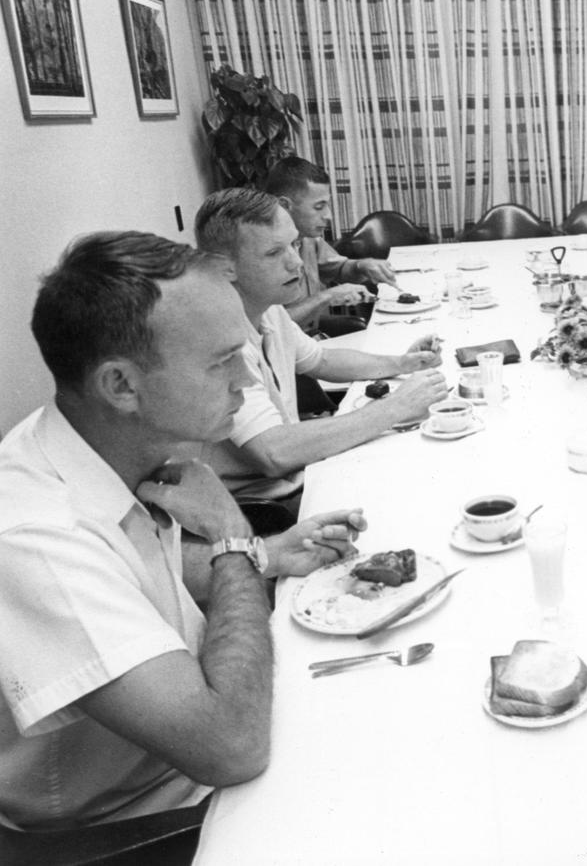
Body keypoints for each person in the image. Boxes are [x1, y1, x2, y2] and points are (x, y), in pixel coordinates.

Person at [0, 232, 366, 831]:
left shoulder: (115, 450)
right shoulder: (34, 538)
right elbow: (232, 747)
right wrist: (231, 541)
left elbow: (128, 578)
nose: (248, 380)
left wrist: (265, 552)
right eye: (222, 360)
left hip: (194, 757)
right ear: (121, 385)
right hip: (146, 819)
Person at [196, 188, 450, 502]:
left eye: (293, 245)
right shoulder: (213, 337)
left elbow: (322, 361)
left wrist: (402, 363)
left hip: (299, 475)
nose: (295, 264)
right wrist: (396, 407)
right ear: (225, 266)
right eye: (275, 253)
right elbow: (273, 452)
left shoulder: (267, 308)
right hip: (269, 506)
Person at [263, 156, 396, 332]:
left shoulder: (309, 239)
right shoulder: (261, 253)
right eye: (319, 207)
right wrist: (326, 297)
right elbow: (270, 328)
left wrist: (361, 265)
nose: (329, 216)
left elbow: (339, 269)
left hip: (314, 341)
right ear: (284, 205)